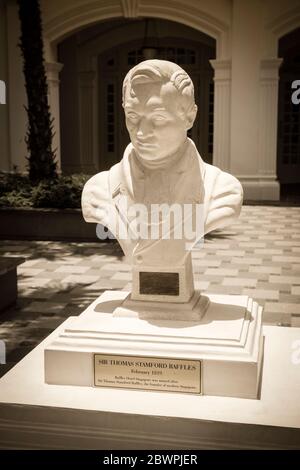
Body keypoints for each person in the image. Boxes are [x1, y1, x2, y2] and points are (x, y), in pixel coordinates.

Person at [82, 60, 243, 300]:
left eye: (157, 119)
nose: (141, 132)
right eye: (132, 116)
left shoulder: (222, 191)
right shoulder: (99, 190)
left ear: (190, 117)